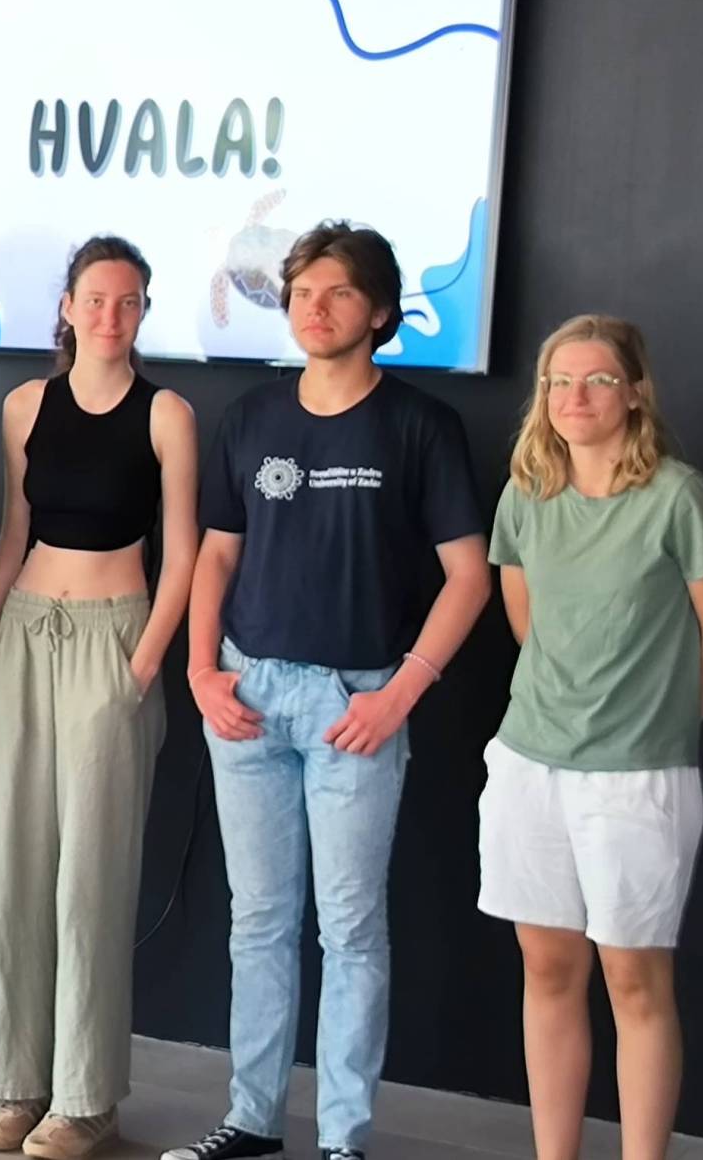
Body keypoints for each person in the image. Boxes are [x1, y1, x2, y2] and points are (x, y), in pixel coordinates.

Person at [164, 223, 490, 1160]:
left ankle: (344, 1139)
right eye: (303, 290)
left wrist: (402, 694)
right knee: (259, 923)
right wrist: (200, 670)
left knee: (350, 929)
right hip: (249, 696)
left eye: (339, 291)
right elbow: (216, 555)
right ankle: (252, 1121)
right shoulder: (253, 417)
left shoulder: (420, 425)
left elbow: (468, 576)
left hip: (360, 704)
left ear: (380, 310)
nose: (316, 307)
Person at [477, 315, 703, 1160]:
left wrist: (653, 723)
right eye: (560, 382)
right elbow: (527, 621)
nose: (576, 397)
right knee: (548, 969)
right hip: (529, 766)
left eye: (597, 380)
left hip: (637, 782)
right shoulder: (526, 494)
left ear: (634, 393)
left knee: (635, 982)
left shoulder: (678, 498)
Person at [0, 236, 197, 1159]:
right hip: (24, 634)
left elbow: (182, 554)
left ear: (143, 311)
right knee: (13, 865)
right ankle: (18, 1082)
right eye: (95, 299)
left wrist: (142, 666)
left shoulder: (166, 414)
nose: (110, 315)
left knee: (91, 875)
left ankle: (85, 1097)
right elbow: (14, 527)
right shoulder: (25, 404)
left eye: (128, 301)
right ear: (66, 306)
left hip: (114, 639)